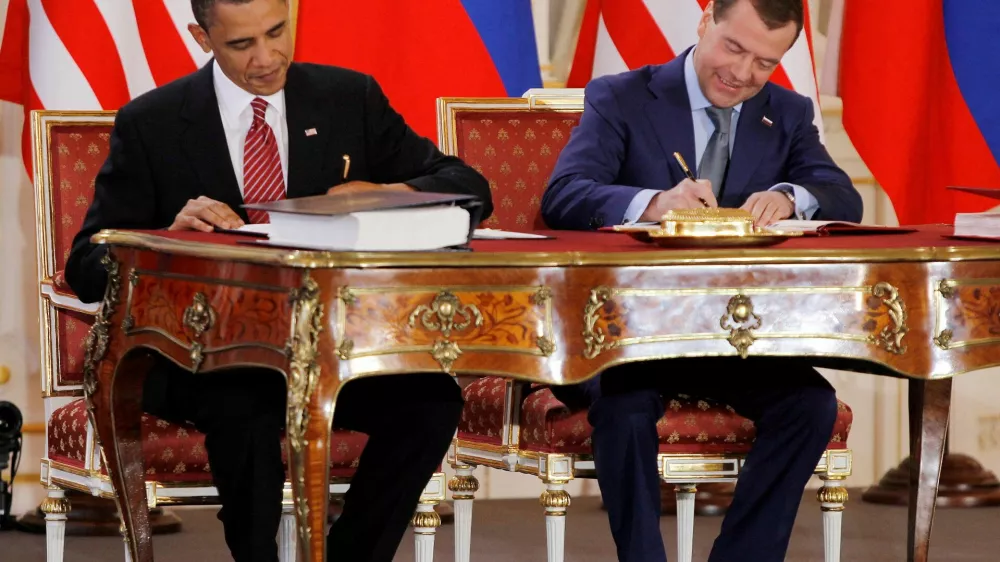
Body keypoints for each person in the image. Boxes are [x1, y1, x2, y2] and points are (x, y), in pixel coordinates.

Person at [65, 1, 492, 561]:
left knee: (430, 402)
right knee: (246, 405)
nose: (267, 58)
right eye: (242, 44)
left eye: (276, 33)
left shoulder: (347, 98)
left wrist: (387, 194)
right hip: (201, 354)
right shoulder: (153, 122)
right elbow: (86, 266)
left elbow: (469, 186)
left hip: (329, 348)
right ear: (202, 37)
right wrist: (164, 238)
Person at [541, 1, 862, 560]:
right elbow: (564, 194)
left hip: (728, 339)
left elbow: (842, 197)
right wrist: (654, 204)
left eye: (764, 63)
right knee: (625, 408)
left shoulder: (786, 112)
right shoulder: (621, 96)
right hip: (620, 338)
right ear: (705, 20)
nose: (742, 73)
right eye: (733, 48)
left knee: (811, 404)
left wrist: (791, 196)